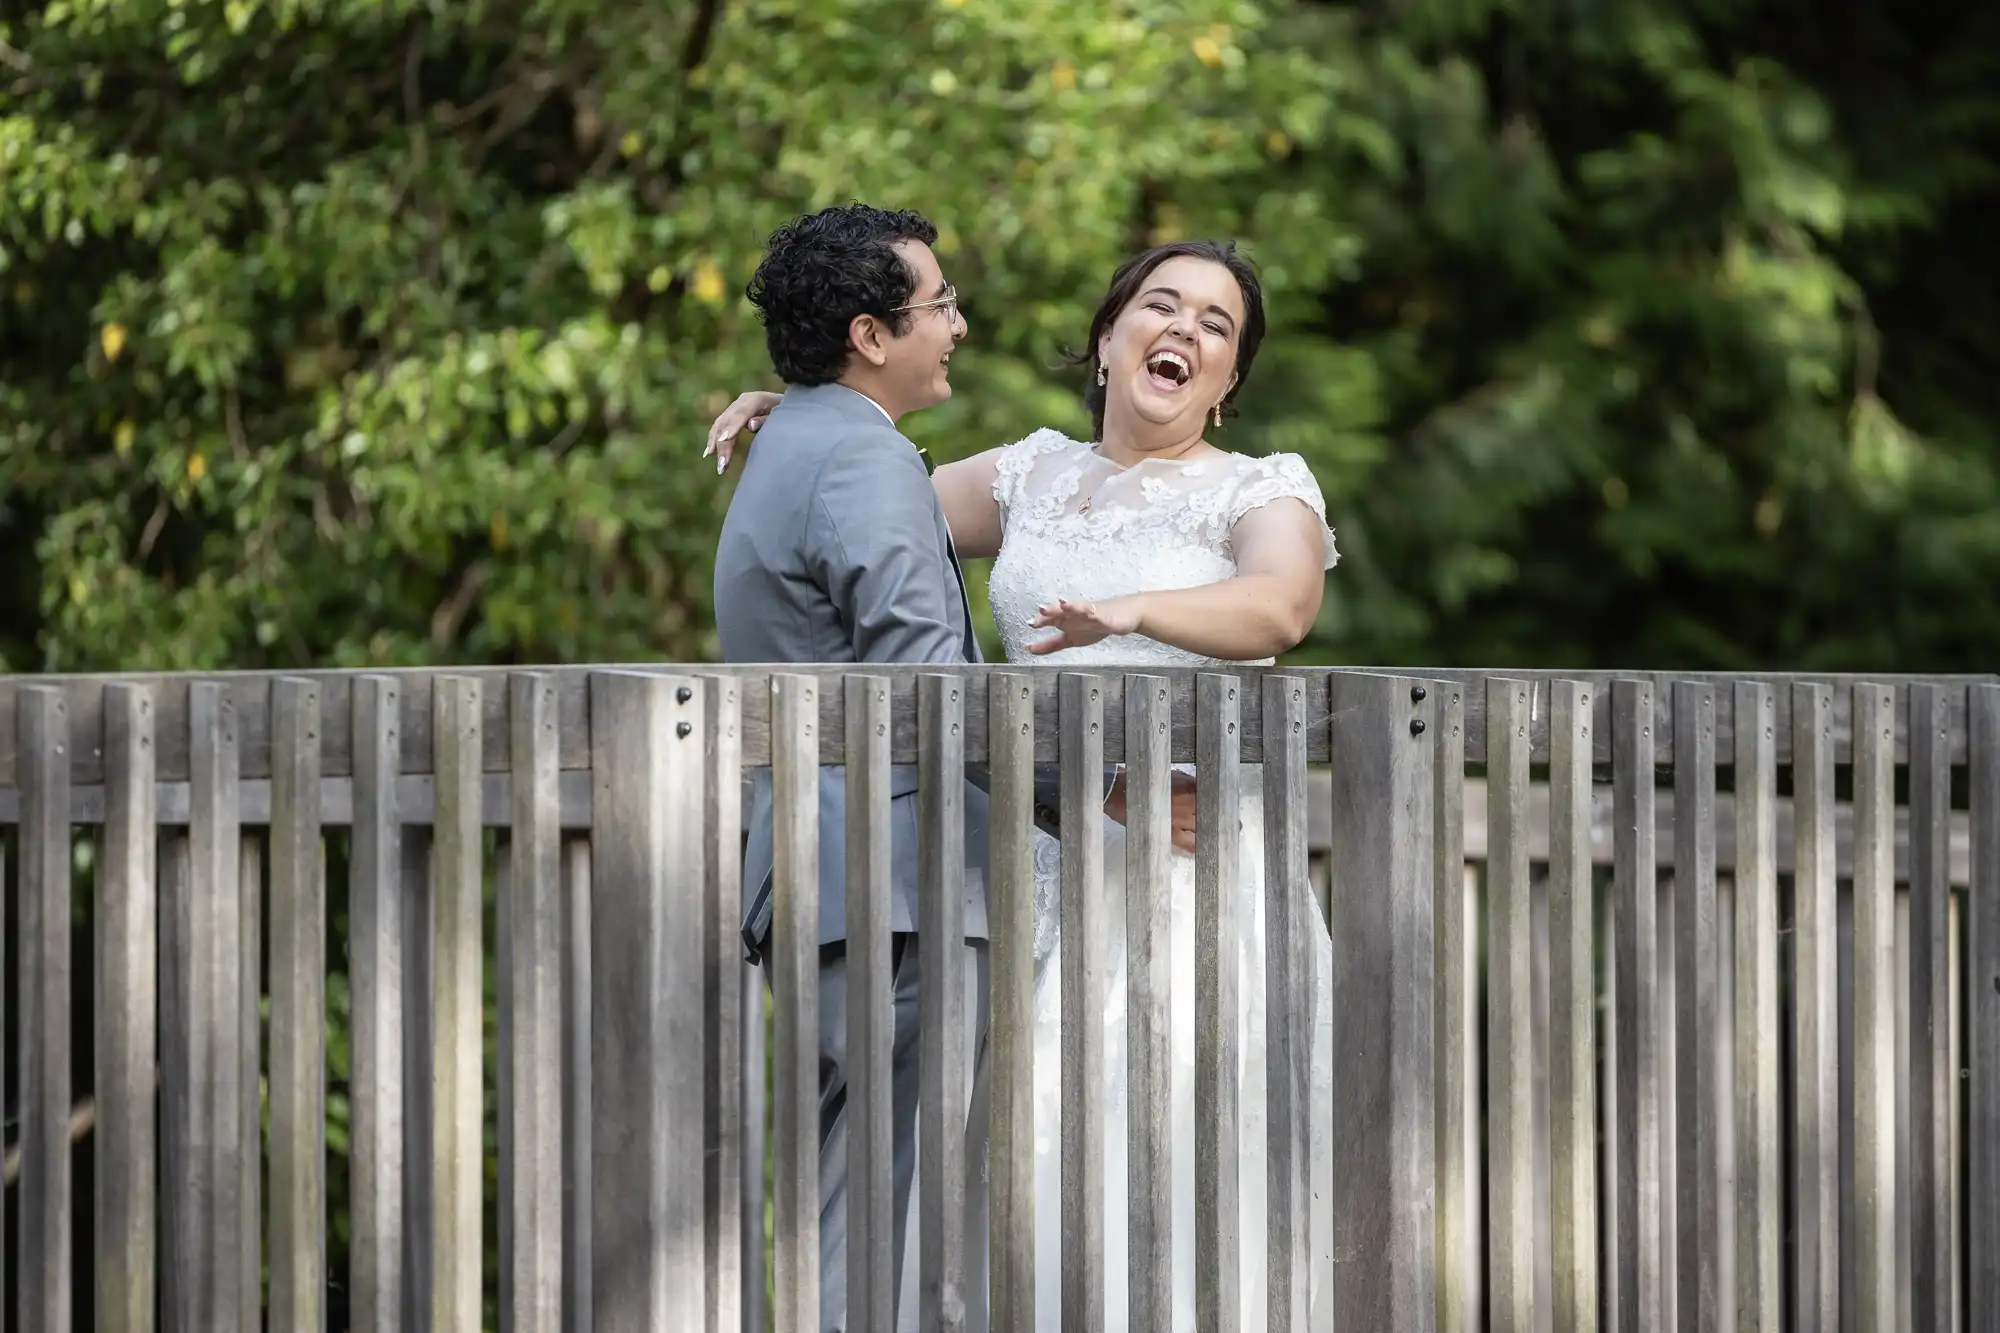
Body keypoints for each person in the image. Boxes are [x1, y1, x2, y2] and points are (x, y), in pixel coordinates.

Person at [709, 239, 1339, 1331]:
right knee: (1023, 1171)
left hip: (1184, 872)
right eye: (1160, 305)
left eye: (1215, 324)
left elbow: (1279, 606)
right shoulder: (1031, 474)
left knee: (1176, 1169)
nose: (1183, 330)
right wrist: (808, 403)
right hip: (1036, 864)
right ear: (1105, 339)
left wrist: (1139, 610)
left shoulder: (1257, 489)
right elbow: (874, 497)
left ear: (1229, 379)